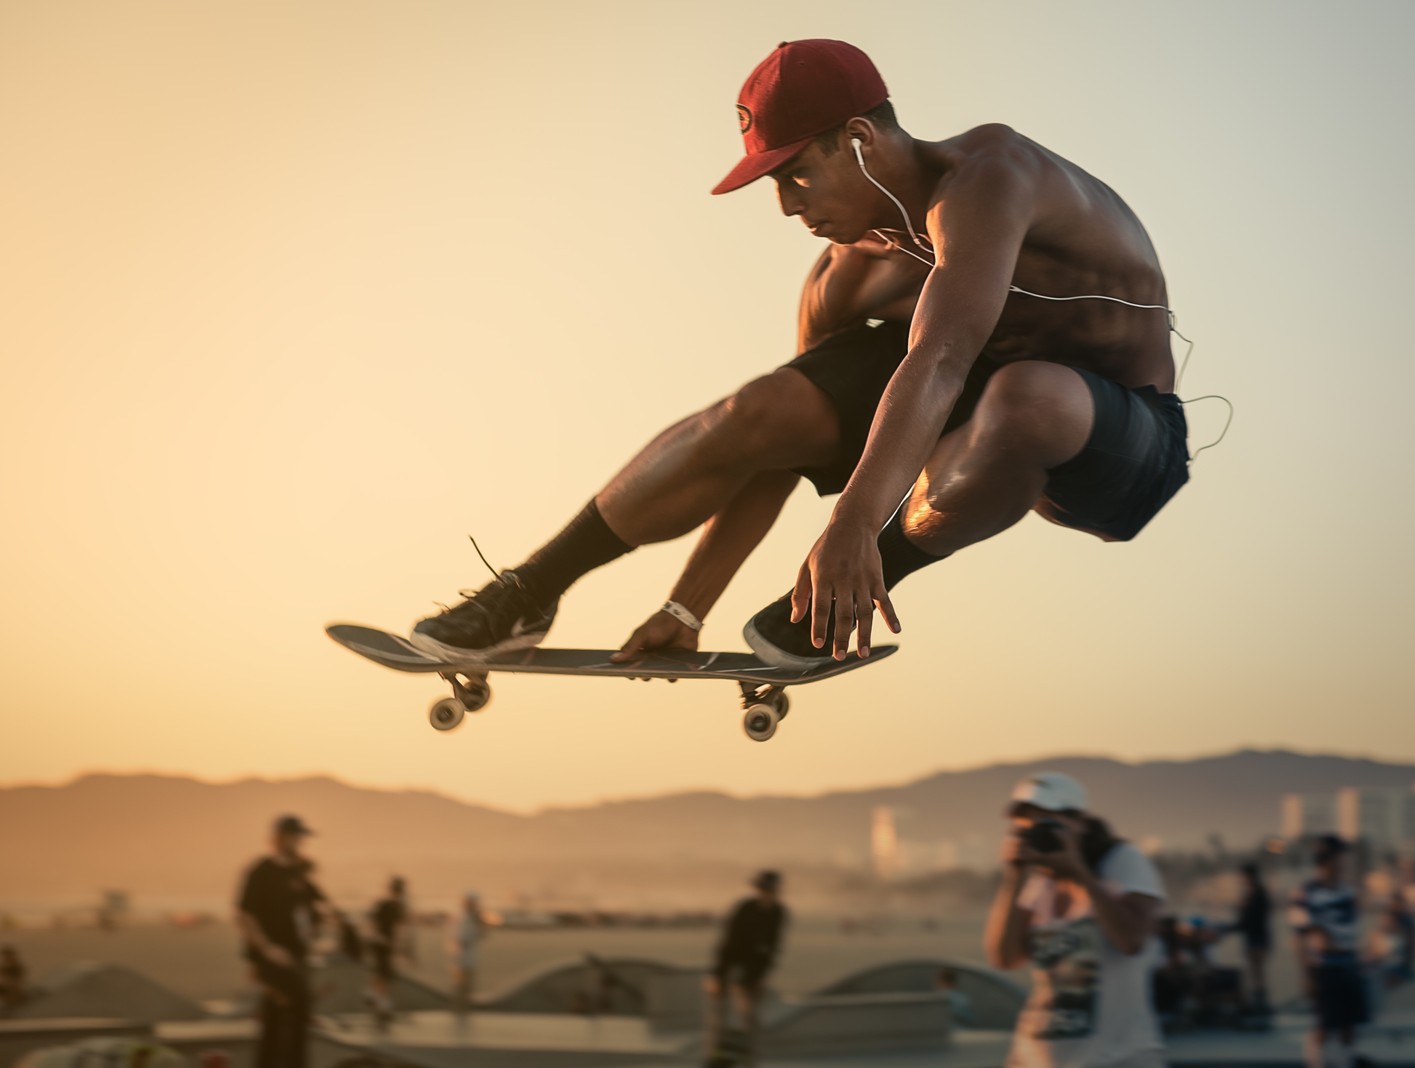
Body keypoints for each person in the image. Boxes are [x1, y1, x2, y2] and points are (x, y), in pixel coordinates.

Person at [403, 38, 1191, 672]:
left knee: (1026, 394)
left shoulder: (991, 179)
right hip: (974, 422)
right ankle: (529, 592)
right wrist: (688, 608)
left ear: (857, 141)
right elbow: (777, 454)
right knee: (766, 407)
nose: (785, 206)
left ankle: (837, 597)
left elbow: (945, 356)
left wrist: (852, 524)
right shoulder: (843, 280)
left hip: (1125, 445)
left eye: (796, 176)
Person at [986, 771, 1166, 1068]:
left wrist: (1079, 872)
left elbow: (1131, 941)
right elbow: (1005, 957)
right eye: (1025, 826)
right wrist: (1015, 874)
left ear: (1080, 822)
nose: (1035, 832)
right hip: (1034, 1057)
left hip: (1118, 1058)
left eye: (1046, 822)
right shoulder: (1040, 882)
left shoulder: (1122, 861)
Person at [236, 815, 317, 1068]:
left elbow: (308, 910)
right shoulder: (261, 871)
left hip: (296, 955)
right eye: (296, 836)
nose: (300, 842)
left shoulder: (297, 872)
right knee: (279, 1016)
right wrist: (267, 949)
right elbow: (245, 914)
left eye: (301, 837)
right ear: (281, 837)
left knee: (296, 1018)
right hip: (272, 958)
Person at [1288, 835, 1366, 1068]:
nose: (1345, 862)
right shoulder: (1306, 893)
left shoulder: (1348, 892)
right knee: (1323, 1025)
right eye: (1341, 857)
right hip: (1324, 967)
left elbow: (1351, 929)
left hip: (1350, 964)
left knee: (1349, 1025)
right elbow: (1299, 936)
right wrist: (1305, 974)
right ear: (1328, 859)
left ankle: (1344, 1062)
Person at [706, 870, 788, 1065]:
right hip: (731, 966)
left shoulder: (778, 913)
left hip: (753, 971)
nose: (766, 894)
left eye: (770, 890)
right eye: (763, 889)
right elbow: (729, 943)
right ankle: (715, 1059)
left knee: (749, 1019)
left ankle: (749, 1060)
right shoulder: (745, 909)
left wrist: (759, 977)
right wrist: (718, 976)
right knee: (720, 1017)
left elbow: (771, 948)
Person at [365, 876, 411, 1024]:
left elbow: (400, 927)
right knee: (383, 973)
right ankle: (383, 1004)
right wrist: (378, 936)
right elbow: (372, 921)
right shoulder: (385, 905)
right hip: (380, 944)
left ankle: (375, 998)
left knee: (383, 973)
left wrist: (401, 946)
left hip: (387, 944)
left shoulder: (397, 906)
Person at [1231, 863, 1273, 1014]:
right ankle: (1259, 1001)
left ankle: (1260, 1003)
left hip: (1257, 937)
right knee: (1256, 971)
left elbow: (1251, 919)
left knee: (1257, 971)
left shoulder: (1256, 893)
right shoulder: (1255, 892)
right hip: (1256, 936)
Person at [450, 891, 488, 1019]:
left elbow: (483, 934)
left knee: (467, 988)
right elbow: (460, 938)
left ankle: (463, 1012)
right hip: (461, 958)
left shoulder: (472, 918)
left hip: (468, 958)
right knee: (461, 987)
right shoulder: (462, 917)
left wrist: (480, 922)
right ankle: (459, 1012)